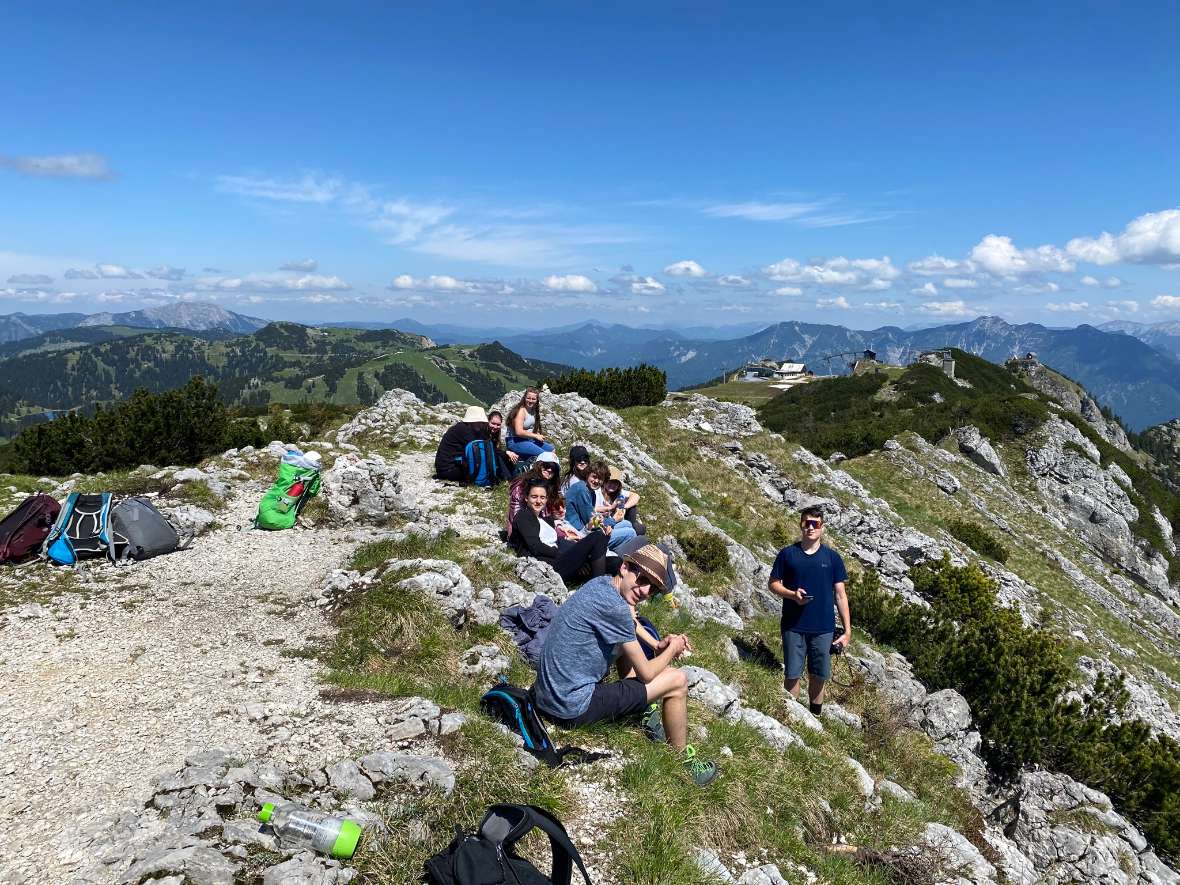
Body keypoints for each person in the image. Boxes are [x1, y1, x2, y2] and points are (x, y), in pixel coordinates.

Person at [531, 544, 719, 787]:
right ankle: (682, 763)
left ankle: (639, 707)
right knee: (677, 680)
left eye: (651, 588)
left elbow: (628, 623)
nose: (644, 591)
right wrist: (672, 649)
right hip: (570, 707)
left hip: (546, 696)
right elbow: (648, 672)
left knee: (622, 644)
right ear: (624, 567)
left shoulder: (600, 585)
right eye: (641, 579)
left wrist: (656, 644)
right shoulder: (616, 607)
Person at [767, 506, 851, 717]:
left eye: (816, 524)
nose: (811, 528)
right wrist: (792, 595)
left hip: (823, 628)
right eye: (807, 523)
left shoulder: (832, 558)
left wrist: (847, 631)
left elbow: (840, 595)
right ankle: (791, 717)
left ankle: (815, 715)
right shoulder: (788, 554)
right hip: (793, 625)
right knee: (793, 674)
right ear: (801, 525)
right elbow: (773, 584)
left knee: (819, 675)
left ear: (822, 528)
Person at [509, 477, 609, 583]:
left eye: (542, 497)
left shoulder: (546, 520)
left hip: (561, 559)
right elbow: (535, 546)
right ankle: (597, 586)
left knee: (614, 562)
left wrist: (580, 559)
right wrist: (567, 557)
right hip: (548, 566)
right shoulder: (524, 516)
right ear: (526, 498)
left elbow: (560, 542)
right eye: (534, 497)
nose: (538, 501)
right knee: (598, 536)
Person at [506, 452, 561, 537]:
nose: (550, 470)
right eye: (547, 466)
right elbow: (516, 516)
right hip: (523, 533)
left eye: (554, 468)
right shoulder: (522, 486)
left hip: (544, 528)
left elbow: (549, 515)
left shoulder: (550, 486)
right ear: (538, 465)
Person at [434, 405, 489, 481]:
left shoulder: (463, 427)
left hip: (445, 467)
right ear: (471, 421)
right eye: (479, 422)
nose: (481, 425)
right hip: (448, 470)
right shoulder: (463, 430)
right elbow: (481, 446)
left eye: (482, 422)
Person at [505, 388, 556, 459]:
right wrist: (535, 436)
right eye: (528, 398)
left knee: (552, 450)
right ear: (524, 398)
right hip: (515, 441)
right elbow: (518, 432)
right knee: (545, 455)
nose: (530, 401)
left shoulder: (533, 411)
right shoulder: (521, 411)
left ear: (537, 400)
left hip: (527, 439)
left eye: (533, 399)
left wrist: (536, 434)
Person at [602, 466, 645, 536]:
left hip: (617, 520)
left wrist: (624, 507)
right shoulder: (599, 492)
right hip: (607, 523)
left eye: (615, 483)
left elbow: (636, 496)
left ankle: (632, 528)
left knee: (632, 508)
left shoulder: (618, 493)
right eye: (610, 482)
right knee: (639, 530)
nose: (612, 485)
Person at [487, 409, 519, 479]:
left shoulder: (495, 434)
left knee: (507, 457)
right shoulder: (484, 433)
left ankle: (515, 478)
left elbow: (496, 449)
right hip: (486, 460)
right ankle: (508, 479)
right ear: (488, 421)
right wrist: (506, 452)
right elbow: (491, 450)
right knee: (500, 456)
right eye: (493, 423)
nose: (495, 427)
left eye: (498, 425)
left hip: (492, 457)